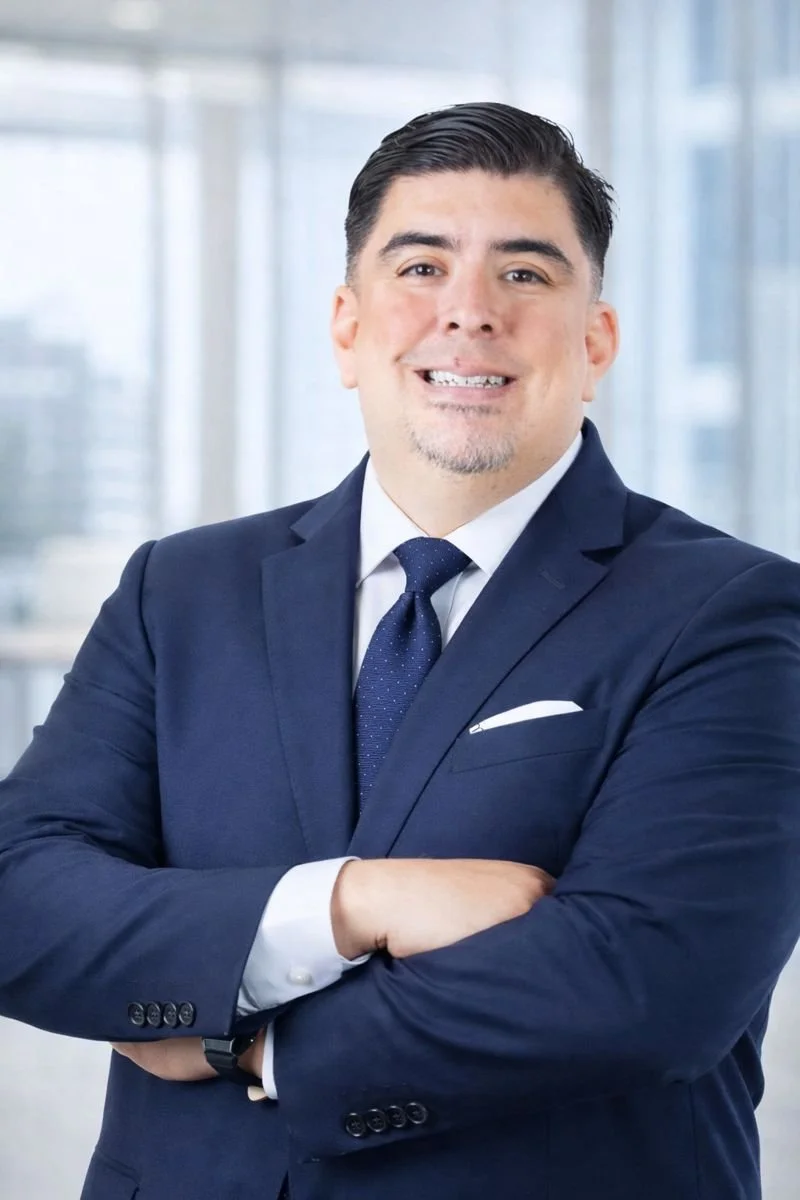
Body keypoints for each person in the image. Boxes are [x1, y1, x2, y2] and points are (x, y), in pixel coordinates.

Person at [1, 102, 799, 1200]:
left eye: (524, 274)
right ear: (346, 327)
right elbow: (23, 897)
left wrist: (250, 1044)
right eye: (420, 267)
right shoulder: (178, 590)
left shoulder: (732, 612)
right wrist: (347, 905)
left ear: (595, 342)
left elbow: (650, 983)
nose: (468, 311)